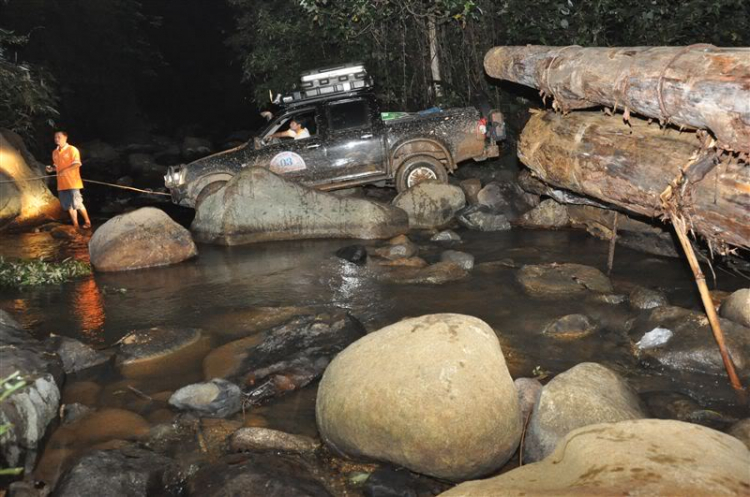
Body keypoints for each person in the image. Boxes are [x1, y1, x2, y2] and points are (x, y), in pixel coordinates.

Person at [46, 131, 91, 229]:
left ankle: (87, 221)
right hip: (61, 184)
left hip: (73, 182)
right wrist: (52, 169)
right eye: (55, 137)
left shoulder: (72, 149)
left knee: (77, 203)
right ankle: (76, 225)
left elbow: (77, 164)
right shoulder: (55, 152)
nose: (56, 139)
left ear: (65, 138)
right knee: (69, 206)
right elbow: (56, 167)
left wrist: (64, 170)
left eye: (59, 137)